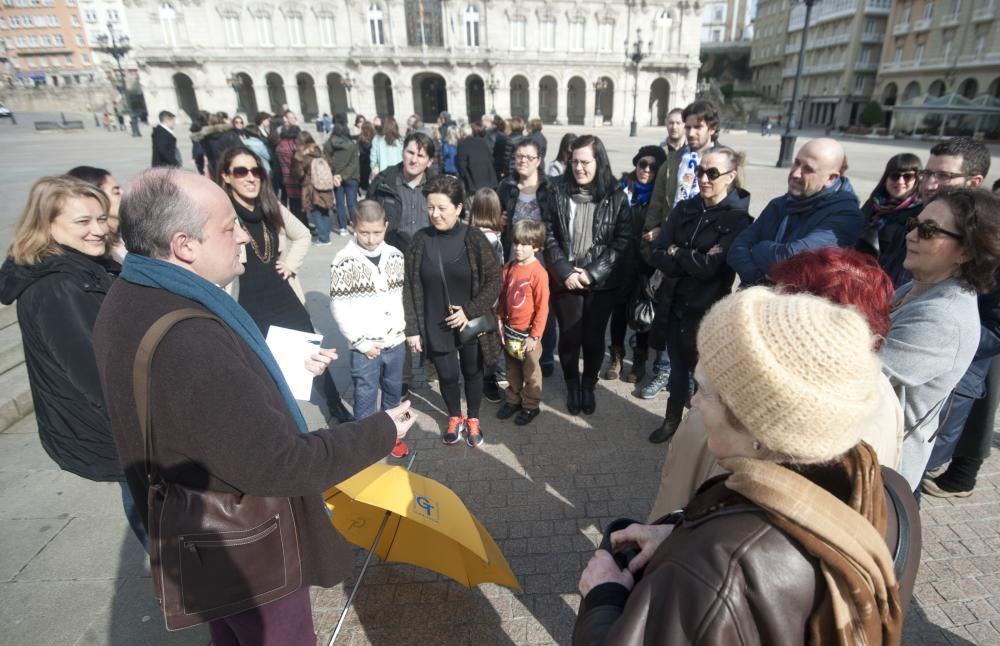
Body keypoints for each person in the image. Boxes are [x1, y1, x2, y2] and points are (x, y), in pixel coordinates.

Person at [93, 167, 413, 643]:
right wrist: (383, 428)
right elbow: (282, 462)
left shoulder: (130, 295)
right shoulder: (190, 335)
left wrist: (278, 369)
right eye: (228, 227)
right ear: (184, 245)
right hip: (248, 550)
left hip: (202, 541)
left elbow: (204, 412)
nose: (244, 234)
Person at [573, 288, 905, 645]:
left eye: (704, 390)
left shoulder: (718, 566)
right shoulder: (872, 482)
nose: (694, 401)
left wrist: (603, 597)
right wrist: (678, 534)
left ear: (757, 423)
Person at [647, 247, 903, 520]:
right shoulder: (881, 395)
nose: (772, 306)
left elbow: (687, 508)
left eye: (784, 303)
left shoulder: (755, 425)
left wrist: (664, 538)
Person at [0, 176, 148, 550]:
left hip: (124, 428)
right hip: (119, 431)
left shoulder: (85, 267)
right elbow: (96, 375)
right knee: (158, 526)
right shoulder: (58, 287)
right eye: (83, 222)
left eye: (101, 219)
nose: (98, 230)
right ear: (46, 224)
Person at [215, 146, 354, 424]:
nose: (251, 177)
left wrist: (290, 263)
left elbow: (302, 234)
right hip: (247, 303)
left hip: (283, 295)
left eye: (256, 171)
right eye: (241, 171)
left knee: (313, 355)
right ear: (226, 177)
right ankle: (282, 421)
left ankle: (335, 404)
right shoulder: (220, 215)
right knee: (264, 367)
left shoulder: (271, 207)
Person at [880, 187, 1000, 490]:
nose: (912, 235)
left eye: (929, 231)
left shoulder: (943, 316)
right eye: (914, 225)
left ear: (966, 251)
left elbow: (858, 375)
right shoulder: (917, 288)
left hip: (879, 470)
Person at [646, 147, 752, 444]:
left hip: (706, 310)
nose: (703, 179)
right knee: (677, 369)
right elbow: (657, 253)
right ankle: (671, 420)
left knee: (703, 377)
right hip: (674, 302)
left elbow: (711, 269)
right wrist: (690, 256)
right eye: (700, 171)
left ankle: (698, 432)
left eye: (712, 173)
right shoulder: (685, 208)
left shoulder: (738, 219)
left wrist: (677, 252)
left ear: (730, 177)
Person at [403, 176, 501, 447]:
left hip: (470, 324)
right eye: (430, 207)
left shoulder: (474, 237)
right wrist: (412, 329)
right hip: (436, 323)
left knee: (472, 372)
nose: (434, 214)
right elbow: (409, 288)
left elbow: (495, 281)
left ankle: (473, 419)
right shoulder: (419, 240)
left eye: (442, 208)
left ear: (458, 208)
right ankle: (454, 416)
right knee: (446, 375)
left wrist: (469, 310)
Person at [543, 135, 631, 415]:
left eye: (586, 162)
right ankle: (572, 383)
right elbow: (548, 234)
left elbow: (622, 240)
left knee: (593, 339)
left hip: (600, 283)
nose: (579, 167)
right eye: (575, 161)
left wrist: (593, 273)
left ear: (598, 161)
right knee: (569, 337)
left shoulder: (616, 194)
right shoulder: (556, 189)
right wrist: (565, 272)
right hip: (566, 279)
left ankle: (588, 384)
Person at [641, 101, 722, 399]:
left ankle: (690, 378)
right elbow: (658, 203)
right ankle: (662, 371)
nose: (689, 132)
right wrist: (649, 243)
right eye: (686, 126)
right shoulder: (674, 160)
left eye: (696, 127)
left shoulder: (724, 160)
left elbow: (736, 205)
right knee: (666, 314)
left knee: (696, 319)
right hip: (671, 251)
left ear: (711, 127)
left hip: (702, 256)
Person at [330, 200, 409, 458]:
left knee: (393, 391)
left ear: (386, 227)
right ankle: (363, 445)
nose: (371, 239)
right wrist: (361, 341)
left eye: (377, 232)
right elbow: (339, 307)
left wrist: (402, 331)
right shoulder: (343, 261)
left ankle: (392, 435)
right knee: (364, 395)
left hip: (395, 342)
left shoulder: (396, 255)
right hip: (365, 347)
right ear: (353, 226)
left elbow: (400, 298)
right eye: (364, 232)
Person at [727, 138, 863, 286]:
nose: (796, 173)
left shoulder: (846, 216)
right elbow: (737, 248)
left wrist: (758, 249)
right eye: (797, 163)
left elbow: (792, 258)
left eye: (808, 169)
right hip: (757, 298)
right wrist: (761, 280)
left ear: (831, 178)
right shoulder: (780, 204)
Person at [606, 145, 667, 384]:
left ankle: (640, 360)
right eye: (643, 164)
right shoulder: (622, 188)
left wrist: (659, 232)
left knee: (643, 314)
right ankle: (616, 356)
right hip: (621, 262)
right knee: (619, 313)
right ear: (636, 163)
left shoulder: (660, 196)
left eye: (653, 167)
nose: (647, 170)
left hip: (646, 263)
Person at [497, 137, 558, 376]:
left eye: (528, 157)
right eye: (519, 156)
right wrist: (499, 221)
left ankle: (544, 353)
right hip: (514, 255)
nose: (522, 161)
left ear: (539, 160)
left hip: (542, 258)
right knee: (516, 303)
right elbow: (497, 217)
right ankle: (515, 350)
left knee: (544, 306)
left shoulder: (550, 188)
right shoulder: (506, 186)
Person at [495, 219, 550, 426]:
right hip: (510, 332)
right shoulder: (509, 268)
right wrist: (499, 319)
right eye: (516, 243)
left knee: (531, 372)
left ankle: (531, 405)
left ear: (536, 246)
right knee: (512, 370)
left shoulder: (539, 273)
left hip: (528, 337)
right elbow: (503, 298)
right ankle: (513, 399)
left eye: (524, 244)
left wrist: (534, 336)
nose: (518, 248)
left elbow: (542, 309)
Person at [857, 153, 924, 287]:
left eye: (907, 176)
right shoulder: (873, 204)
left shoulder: (919, 213)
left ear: (917, 180)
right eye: (894, 176)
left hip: (887, 283)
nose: (900, 181)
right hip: (858, 275)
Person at [368, 132, 437, 252]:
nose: (414, 160)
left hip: (427, 256)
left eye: (420, 156)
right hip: (390, 256)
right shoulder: (382, 183)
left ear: (429, 161)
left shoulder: (438, 187)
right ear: (402, 152)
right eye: (410, 153)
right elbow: (367, 220)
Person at [469, 187, 505, 403]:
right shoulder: (493, 240)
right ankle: (488, 381)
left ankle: (475, 376)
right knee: (491, 343)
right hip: (490, 301)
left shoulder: (469, 235)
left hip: (473, 298)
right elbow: (496, 273)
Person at [66, 166, 127, 263]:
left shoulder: (127, 237)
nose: (125, 193)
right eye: (116, 192)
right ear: (95, 198)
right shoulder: (95, 250)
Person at [323, 114, 361, 236]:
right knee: (352, 203)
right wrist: (343, 176)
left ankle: (343, 228)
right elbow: (354, 164)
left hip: (336, 177)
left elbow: (326, 160)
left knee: (339, 203)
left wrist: (335, 175)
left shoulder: (328, 144)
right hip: (351, 177)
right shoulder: (352, 145)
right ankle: (355, 227)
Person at [295, 131, 335, 245]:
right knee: (325, 211)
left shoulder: (303, 156)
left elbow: (299, 174)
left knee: (315, 211)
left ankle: (323, 238)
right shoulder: (320, 152)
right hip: (325, 186)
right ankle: (326, 234)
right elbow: (332, 167)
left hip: (311, 187)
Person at [276, 124, 308, 227]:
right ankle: (304, 225)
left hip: (286, 177)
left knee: (294, 204)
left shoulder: (280, 146)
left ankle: (299, 224)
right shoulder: (294, 146)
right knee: (301, 204)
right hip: (297, 178)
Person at [456, 122, 496, 195]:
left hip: (473, 185)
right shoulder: (483, 141)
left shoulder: (462, 144)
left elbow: (461, 165)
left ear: (462, 133)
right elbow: (491, 159)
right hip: (489, 183)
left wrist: (465, 178)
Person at [358, 120, 376, 194]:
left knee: (365, 186)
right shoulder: (375, 138)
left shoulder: (360, 139)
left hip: (363, 163)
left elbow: (359, 151)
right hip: (373, 163)